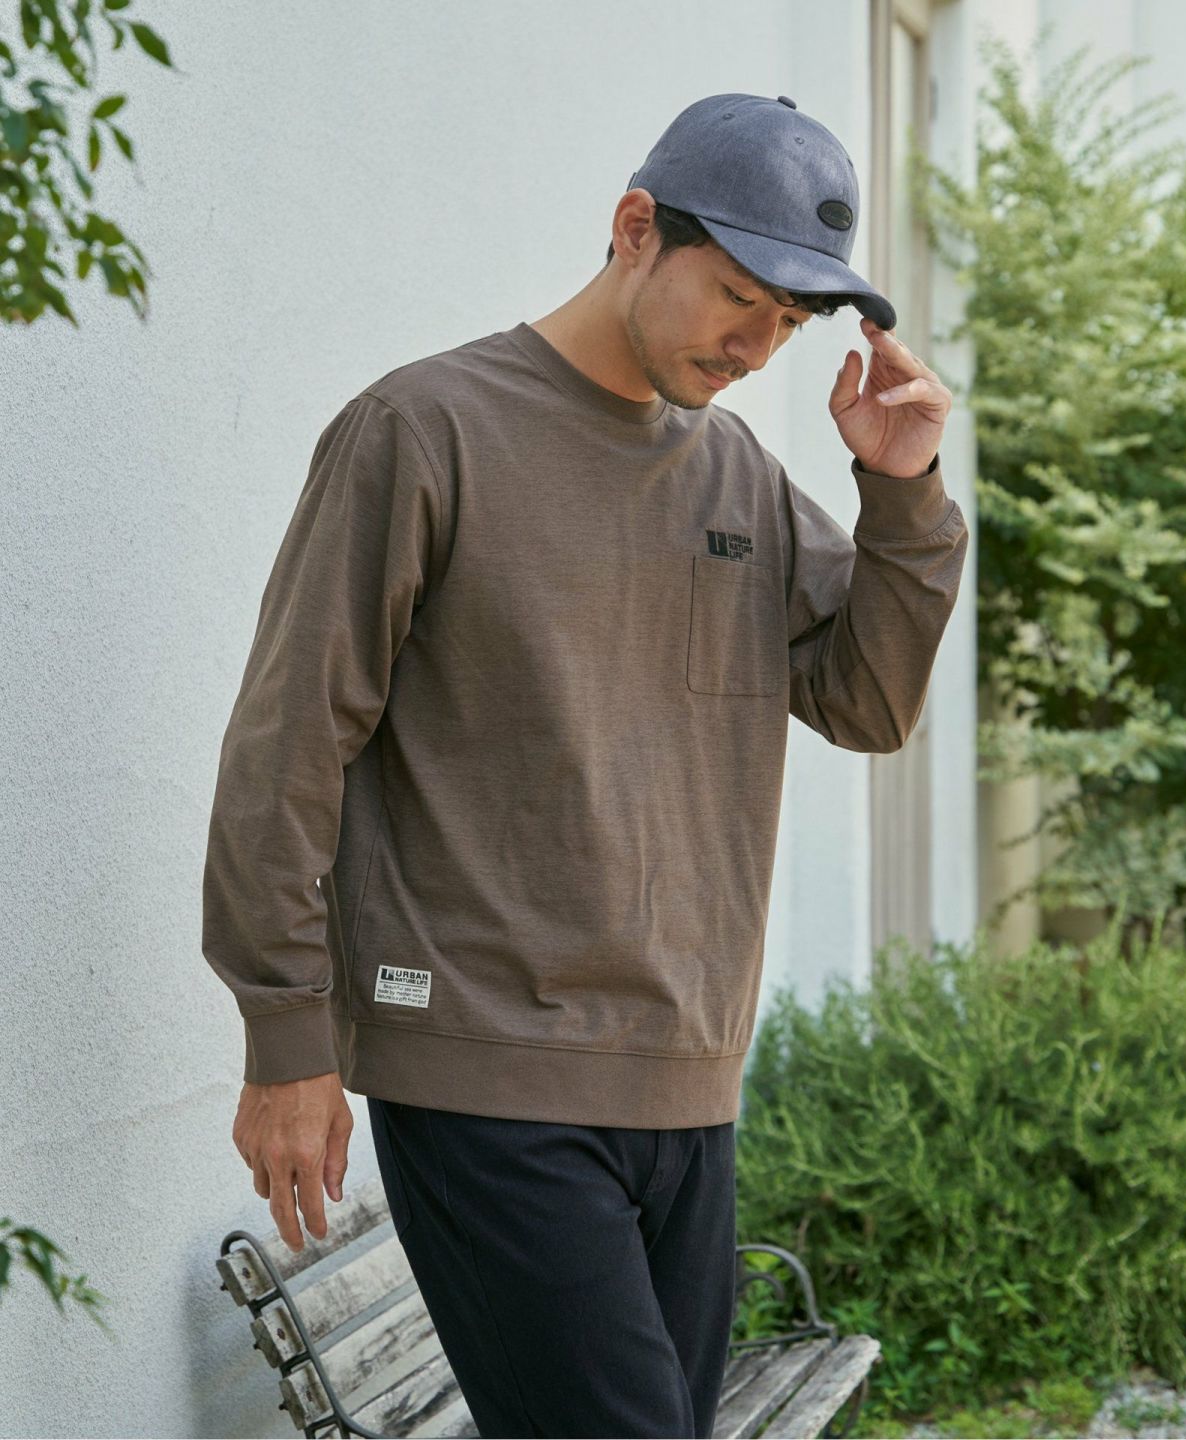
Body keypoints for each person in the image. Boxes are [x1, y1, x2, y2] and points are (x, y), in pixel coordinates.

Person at [202, 92, 969, 1438]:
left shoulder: (735, 476)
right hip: (485, 1072)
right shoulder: (423, 429)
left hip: (687, 1082)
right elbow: (289, 741)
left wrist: (903, 492)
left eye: (788, 323)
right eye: (737, 296)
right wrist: (286, 1035)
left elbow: (865, 700)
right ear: (633, 228)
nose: (756, 346)